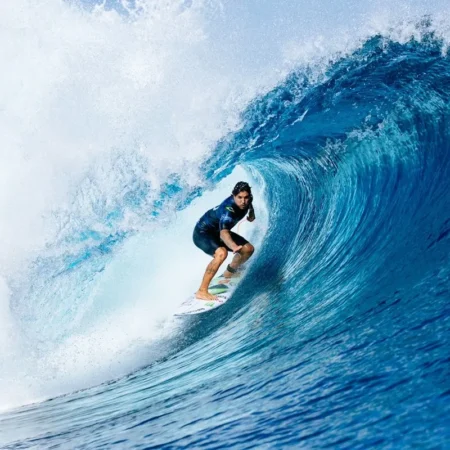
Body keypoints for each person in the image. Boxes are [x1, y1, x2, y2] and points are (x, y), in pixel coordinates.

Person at [193, 181, 256, 300]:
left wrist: (251, 214)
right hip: (202, 233)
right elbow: (224, 233)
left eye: (246, 197)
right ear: (233, 196)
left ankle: (229, 273)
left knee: (248, 249)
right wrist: (233, 246)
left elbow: (249, 204)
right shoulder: (228, 210)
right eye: (239, 198)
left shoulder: (247, 200)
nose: (243, 201)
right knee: (222, 253)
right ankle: (202, 291)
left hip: (216, 232)